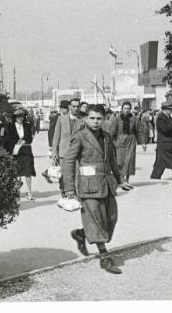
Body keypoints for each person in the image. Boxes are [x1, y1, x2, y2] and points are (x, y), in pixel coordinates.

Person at [60, 104, 131, 274]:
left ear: (105, 118)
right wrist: (69, 188)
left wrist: (121, 179)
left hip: (107, 184)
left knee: (111, 218)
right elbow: (68, 161)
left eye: (99, 118)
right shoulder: (80, 137)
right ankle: (104, 257)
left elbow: (112, 161)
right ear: (85, 119)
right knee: (97, 220)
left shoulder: (106, 136)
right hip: (88, 186)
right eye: (92, 118)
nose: (96, 122)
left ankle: (81, 234)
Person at [6, 108, 37, 200]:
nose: (20, 118)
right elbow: (8, 138)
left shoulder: (27, 125)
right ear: (14, 117)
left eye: (22, 116)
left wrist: (24, 141)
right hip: (15, 151)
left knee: (28, 172)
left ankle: (29, 191)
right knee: (16, 173)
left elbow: (30, 139)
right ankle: (16, 192)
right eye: (18, 116)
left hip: (26, 151)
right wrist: (16, 142)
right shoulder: (10, 126)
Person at [150, 102, 172, 179]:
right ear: (165, 109)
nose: (171, 111)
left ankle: (155, 176)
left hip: (167, 142)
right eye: (169, 109)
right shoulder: (160, 118)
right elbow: (165, 129)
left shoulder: (168, 117)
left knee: (160, 162)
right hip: (165, 143)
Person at [109, 102, 138, 187]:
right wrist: (114, 143)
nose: (126, 110)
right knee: (120, 161)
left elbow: (139, 130)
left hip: (131, 141)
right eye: (125, 108)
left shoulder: (134, 119)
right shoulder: (116, 119)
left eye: (128, 108)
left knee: (129, 161)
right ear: (122, 109)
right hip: (119, 141)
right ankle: (121, 179)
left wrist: (143, 143)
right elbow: (112, 132)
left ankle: (127, 179)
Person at [52, 98, 84, 166]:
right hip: (64, 154)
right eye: (73, 106)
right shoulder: (61, 119)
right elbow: (56, 137)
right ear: (69, 107)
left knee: (77, 176)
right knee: (64, 175)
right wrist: (54, 152)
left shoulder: (83, 121)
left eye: (77, 106)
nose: (76, 108)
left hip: (78, 155)